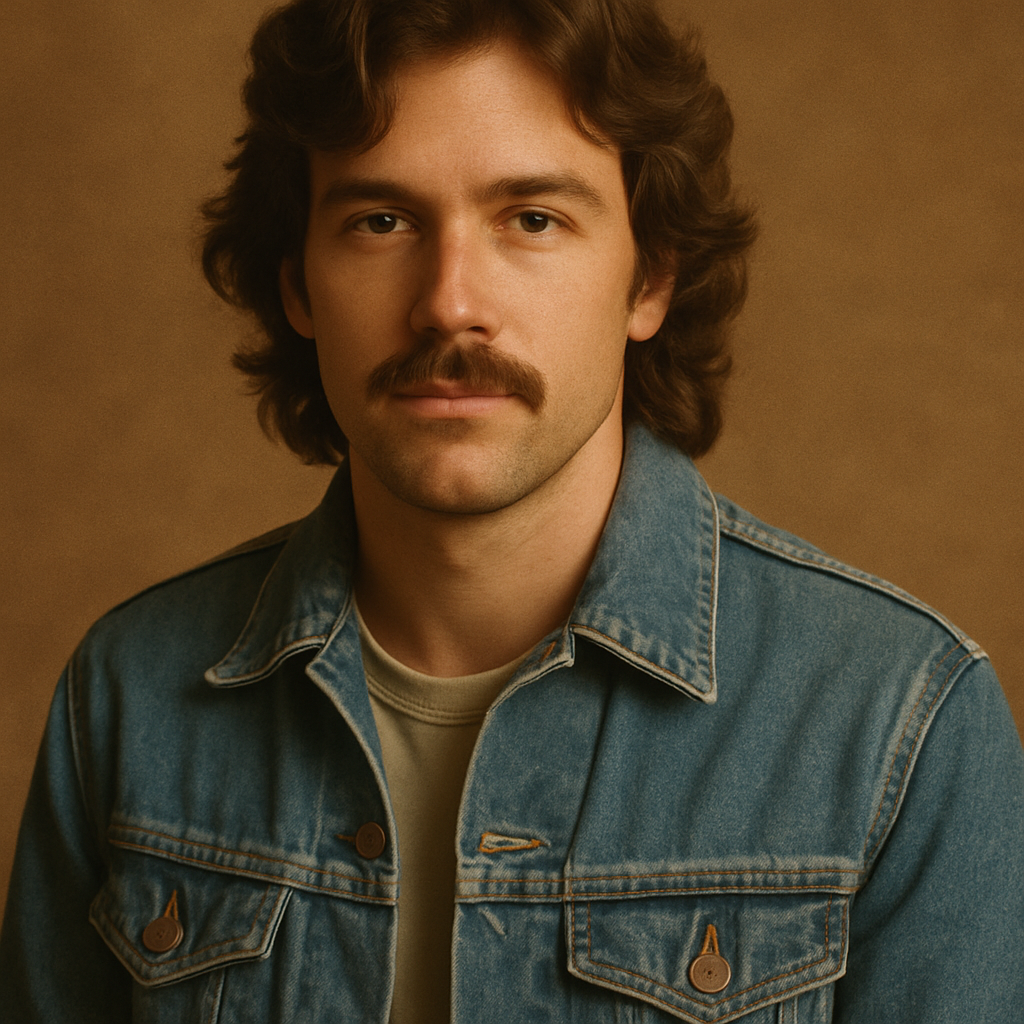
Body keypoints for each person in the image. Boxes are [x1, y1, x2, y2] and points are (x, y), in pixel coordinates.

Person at [2, 0, 1021, 1019]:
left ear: (650, 278)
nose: (450, 302)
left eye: (532, 219)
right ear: (298, 284)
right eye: (381, 221)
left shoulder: (901, 720)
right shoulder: (129, 694)